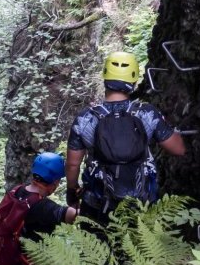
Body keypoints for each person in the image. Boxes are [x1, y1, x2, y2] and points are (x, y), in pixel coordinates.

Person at [65, 51, 185, 226]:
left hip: (97, 204)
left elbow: (72, 164)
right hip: (141, 204)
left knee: (96, 242)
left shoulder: (85, 118)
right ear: (134, 80)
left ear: (105, 76)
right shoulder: (147, 113)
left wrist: (72, 190)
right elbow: (179, 149)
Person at [0, 152, 78, 265]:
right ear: (55, 182)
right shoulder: (43, 207)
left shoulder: (17, 190)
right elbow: (72, 215)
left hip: (8, 263)